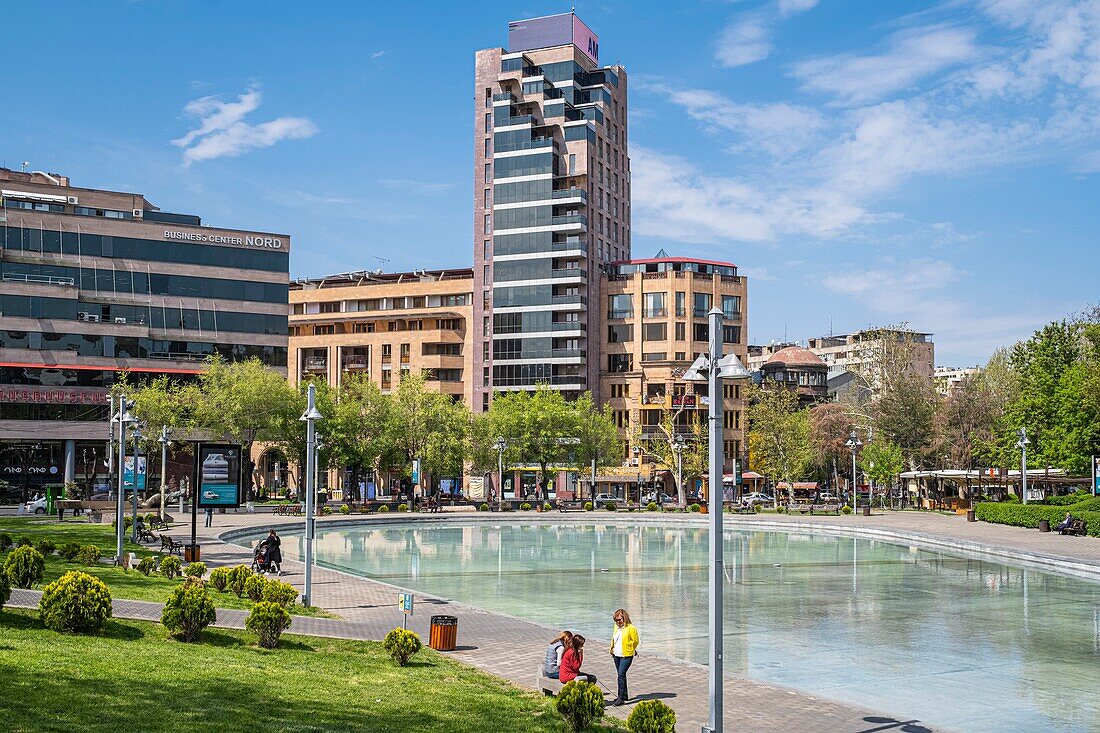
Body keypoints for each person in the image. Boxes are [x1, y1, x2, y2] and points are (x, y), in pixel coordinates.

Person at [609, 608, 640, 706]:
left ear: (625, 618)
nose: (618, 622)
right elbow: (614, 639)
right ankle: (624, 694)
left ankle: (620, 697)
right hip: (616, 654)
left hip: (626, 655)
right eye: (616, 620)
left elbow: (636, 641)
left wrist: (631, 649)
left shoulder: (631, 628)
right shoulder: (616, 627)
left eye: (619, 620)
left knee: (621, 675)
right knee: (621, 675)